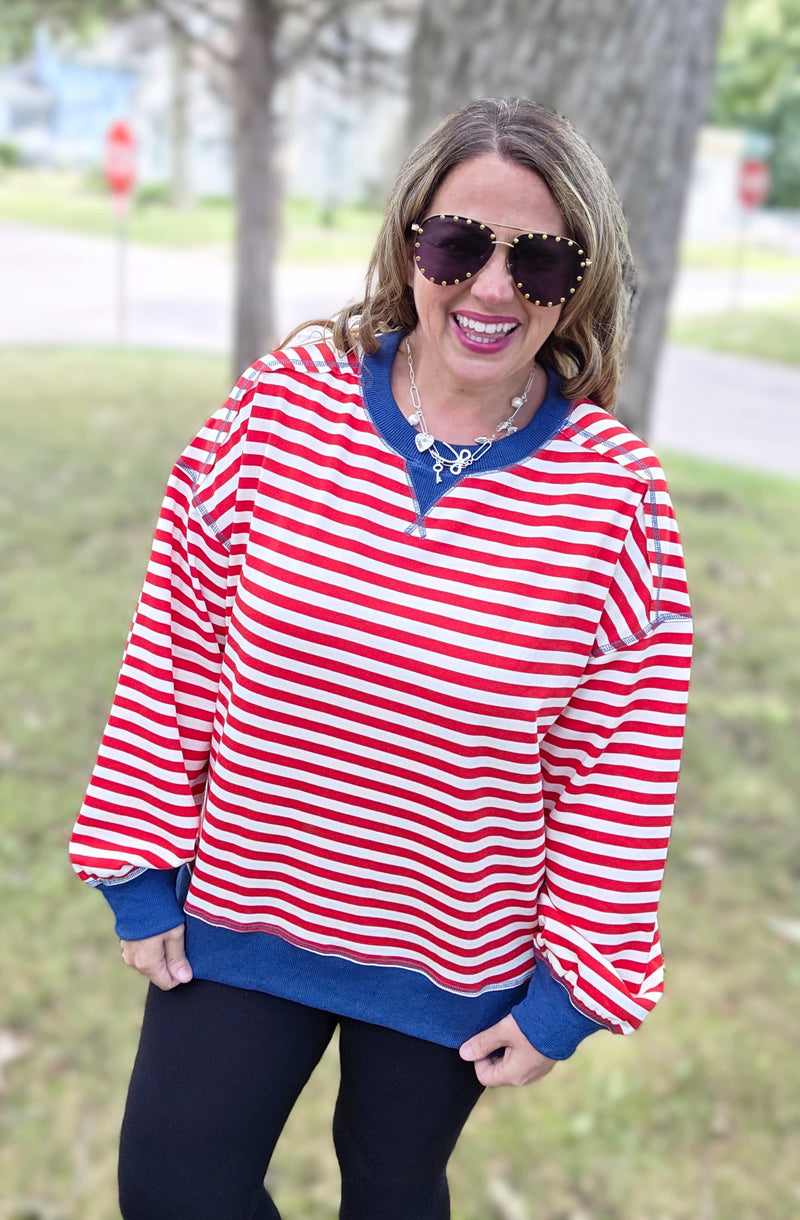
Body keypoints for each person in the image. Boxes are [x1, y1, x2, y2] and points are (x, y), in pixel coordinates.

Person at [69, 96, 692, 1220]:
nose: (492, 289)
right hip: (243, 908)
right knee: (171, 1186)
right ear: (410, 243)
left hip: (453, 947)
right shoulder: (280, 408)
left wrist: (572, 991)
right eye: (458, 244)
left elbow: (619, 757)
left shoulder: (616, 494)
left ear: (579, 281)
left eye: (538, 260)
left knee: (392, 1189)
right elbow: (178, 636)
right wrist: (136, 862)